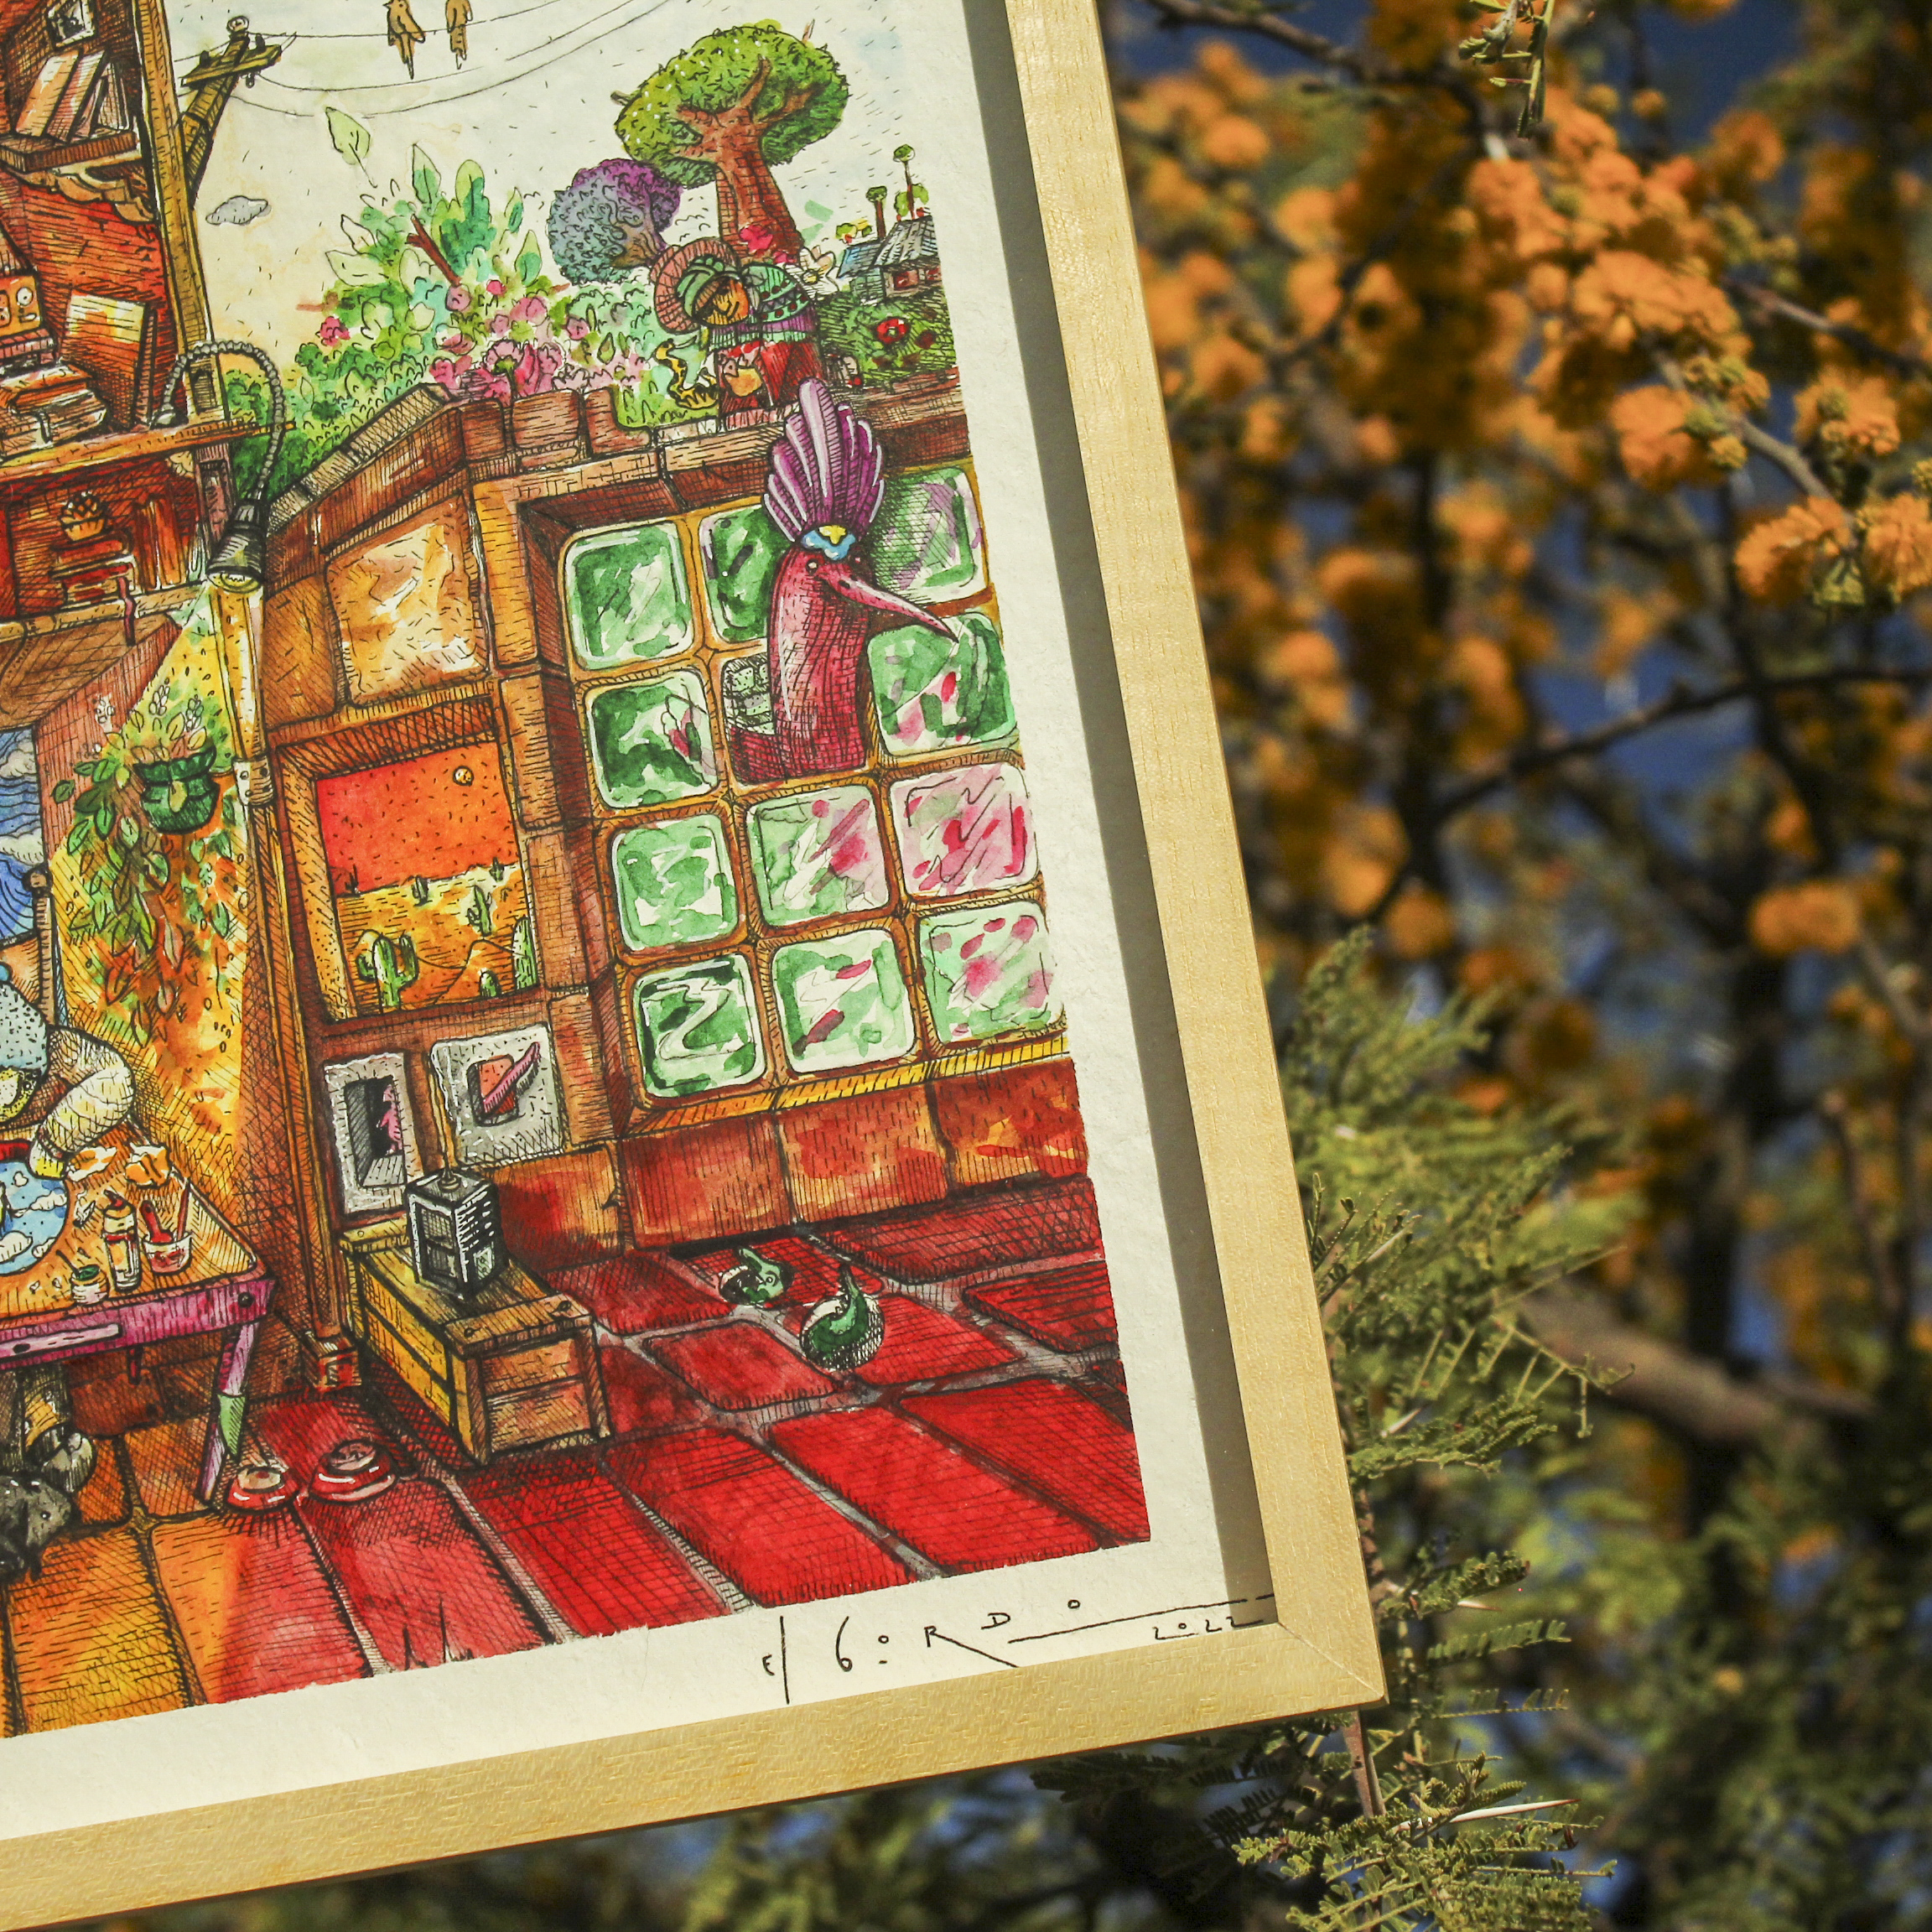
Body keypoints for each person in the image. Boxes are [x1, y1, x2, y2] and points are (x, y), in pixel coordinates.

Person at [0, 963, 135, 1581]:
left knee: (34, 1329)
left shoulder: (46, 1046)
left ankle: (42, 1456)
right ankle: (33, 1481)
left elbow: (115, 1081)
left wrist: (54, 1139)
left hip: (34, 1229)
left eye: (12, 1082)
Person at [652, 236, 823, 425]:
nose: (723, 308)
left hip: (803, 407)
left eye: (724, 291)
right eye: (709, 311)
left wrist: (761, 378)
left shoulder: (770, 284)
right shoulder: (722, 332)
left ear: (735, 279)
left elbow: (795, 354)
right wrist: (726, 388)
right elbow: (729, 384)